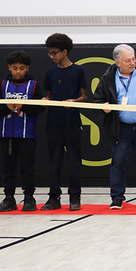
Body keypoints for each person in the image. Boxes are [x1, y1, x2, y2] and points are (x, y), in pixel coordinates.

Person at [93, 44, 136, 209]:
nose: (132, 63)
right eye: (128, 60)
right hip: (120, 128)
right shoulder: (107, 78)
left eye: (134, 59)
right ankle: (116, 198)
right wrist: (103, 107)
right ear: (117, 62)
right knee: (118, 163)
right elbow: (97, 100)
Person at [0, 51, 46, 212]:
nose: (18, 72)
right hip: (6, 134)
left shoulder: (33, 85)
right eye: (14, 68)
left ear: (27, 68)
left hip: (27, 134)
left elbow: (40, 109)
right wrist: (7, 107)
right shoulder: (2, 85)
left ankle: (29, 197)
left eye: (21, 68)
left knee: (27, 167)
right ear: (9, 68)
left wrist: (23, 106)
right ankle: (9, 197)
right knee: (7, 167)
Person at [42, 33, 88, 211]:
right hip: (53, 123)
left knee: (74, 160)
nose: (52, 56)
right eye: (50, 53)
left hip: (72, 123)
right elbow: (49, 96)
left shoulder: (78, 71)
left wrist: (74, 102)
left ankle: (75, 196)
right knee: (54, 161)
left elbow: (84, 97)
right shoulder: (50, 72)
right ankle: (54, 197)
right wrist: (45, 101)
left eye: (54, 53)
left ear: (65, 51)